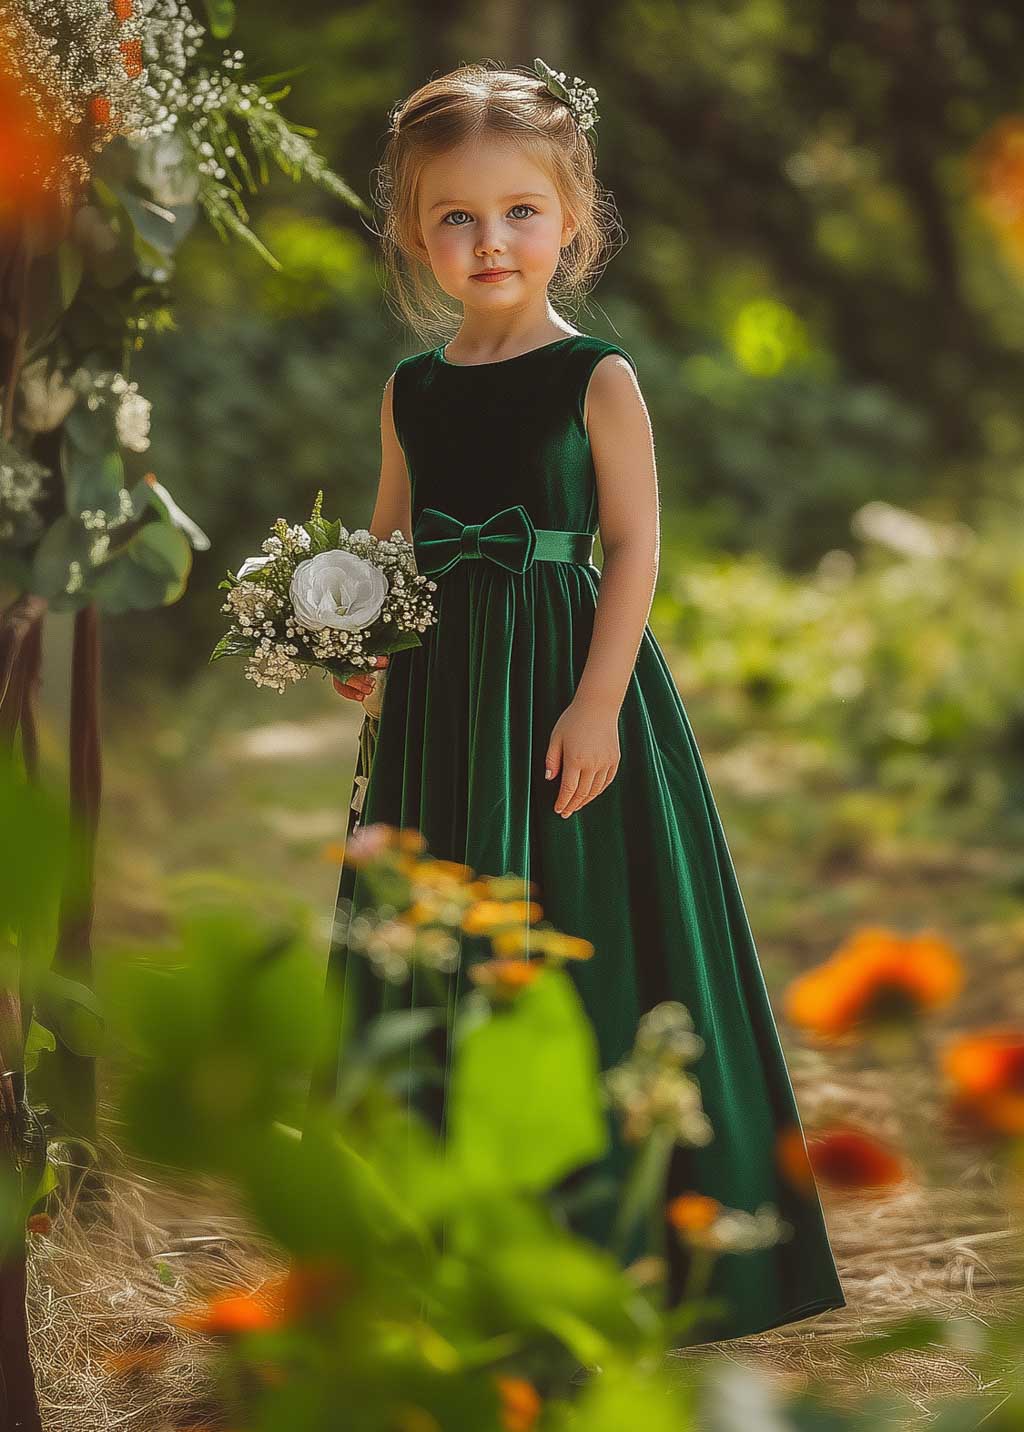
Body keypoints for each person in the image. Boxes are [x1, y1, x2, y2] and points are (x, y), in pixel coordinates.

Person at [311, 57, 846, 1342]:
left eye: (520, 211)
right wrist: (354, 634)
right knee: (437, 934)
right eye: (455, 216)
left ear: (573, 219)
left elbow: (635, 543)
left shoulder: (593, 375)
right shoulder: (412, 388)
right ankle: (443, 1241)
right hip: (445, 704)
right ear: (412, 232)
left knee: (581, 926)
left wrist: (599, 701)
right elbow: (388, 541)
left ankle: (616, 1245)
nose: (490, 240)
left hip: (564, 684)